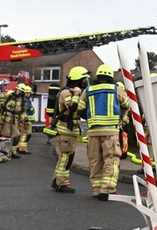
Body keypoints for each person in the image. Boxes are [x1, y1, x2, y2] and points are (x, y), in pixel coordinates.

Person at [78, 64, 130, 198]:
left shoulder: (88, 90)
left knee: (95, 160)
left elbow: (81, 110)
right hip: (111, 132)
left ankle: (96, 189)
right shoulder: (116, 89)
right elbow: (126, 104)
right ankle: (107, 188)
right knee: (111, 159)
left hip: (93, 132)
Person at [51, 66, 90, 193]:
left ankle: (57, 180)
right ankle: (61, 183)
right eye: (84, 80)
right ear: (78, 80)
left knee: (68, 156)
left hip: (72, 130)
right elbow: (72, 108)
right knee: (65, 158)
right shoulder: (66, 93)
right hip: (66, 130)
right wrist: (77, 94)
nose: (86, 82)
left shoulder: (75, 92)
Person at [0, 84, 26, 159]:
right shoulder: (9, 96)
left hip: (15, 120)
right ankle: (4, 152)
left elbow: (23, 111)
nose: (18, 92)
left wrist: (23, 120)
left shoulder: (22, 101)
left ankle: (13, 152)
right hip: (6, 119)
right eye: (18, 90)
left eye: (21, 91)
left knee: (16, 136)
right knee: (5, 136)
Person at [16, 85, 35, 155]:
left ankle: (21, 148)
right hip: (25, 120)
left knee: (25, 134)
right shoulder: (24, 100)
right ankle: (21, 149)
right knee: (25, 134)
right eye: (27, 93)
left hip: (27, 120)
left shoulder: (26, 100)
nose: (29, 94)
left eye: (29, 93)